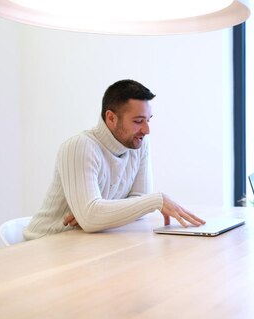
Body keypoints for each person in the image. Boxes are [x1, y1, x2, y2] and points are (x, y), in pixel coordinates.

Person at [24, 79, 205, 240]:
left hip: (83, 243)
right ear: (111, 118)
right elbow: (93, 218)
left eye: (148, 120)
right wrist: (156, 201)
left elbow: (135, 203)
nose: (146, 130)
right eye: (138, 121)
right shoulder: (80, 146)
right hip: (45, 245)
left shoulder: (138, 143)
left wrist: (100, 215)